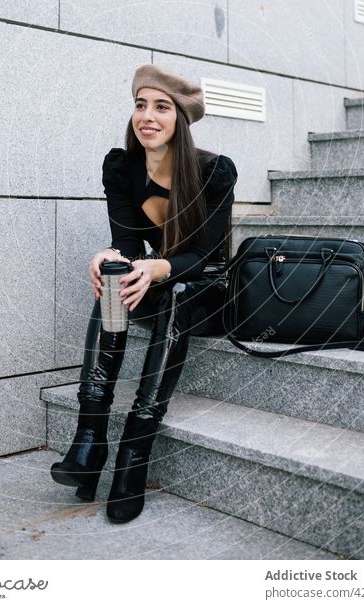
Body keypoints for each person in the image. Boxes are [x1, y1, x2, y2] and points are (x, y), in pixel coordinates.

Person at [51, 64, 238, 523]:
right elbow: (130, 245)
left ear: (180, 120)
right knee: (114, 273)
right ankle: (90, 437)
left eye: (161, 106)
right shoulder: (122, 168)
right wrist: (109, 256)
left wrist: (157, 268)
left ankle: (135, 453)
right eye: (140, 104)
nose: (147, 116)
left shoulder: (214, 172)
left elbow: (206, 255)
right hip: (157, 279)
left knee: (176, 292)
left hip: (206, 288)